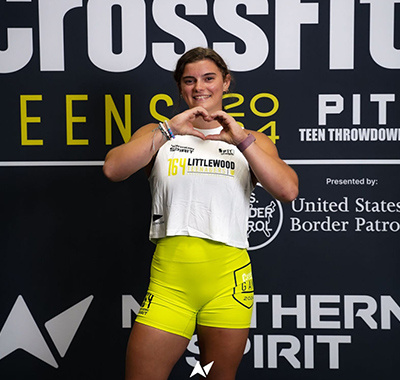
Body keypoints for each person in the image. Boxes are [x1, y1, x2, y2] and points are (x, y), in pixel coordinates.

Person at [103, 47, 298, 380]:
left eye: (209, 78)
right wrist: (167, 131)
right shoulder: (158, 134)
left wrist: (242, 141)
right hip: (171, 281)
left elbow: (287, 190)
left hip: (228, 282)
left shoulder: (253, 141)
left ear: (226, 83)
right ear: (181, 88)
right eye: (189, 80)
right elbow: (113, 169)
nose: (200, 87)